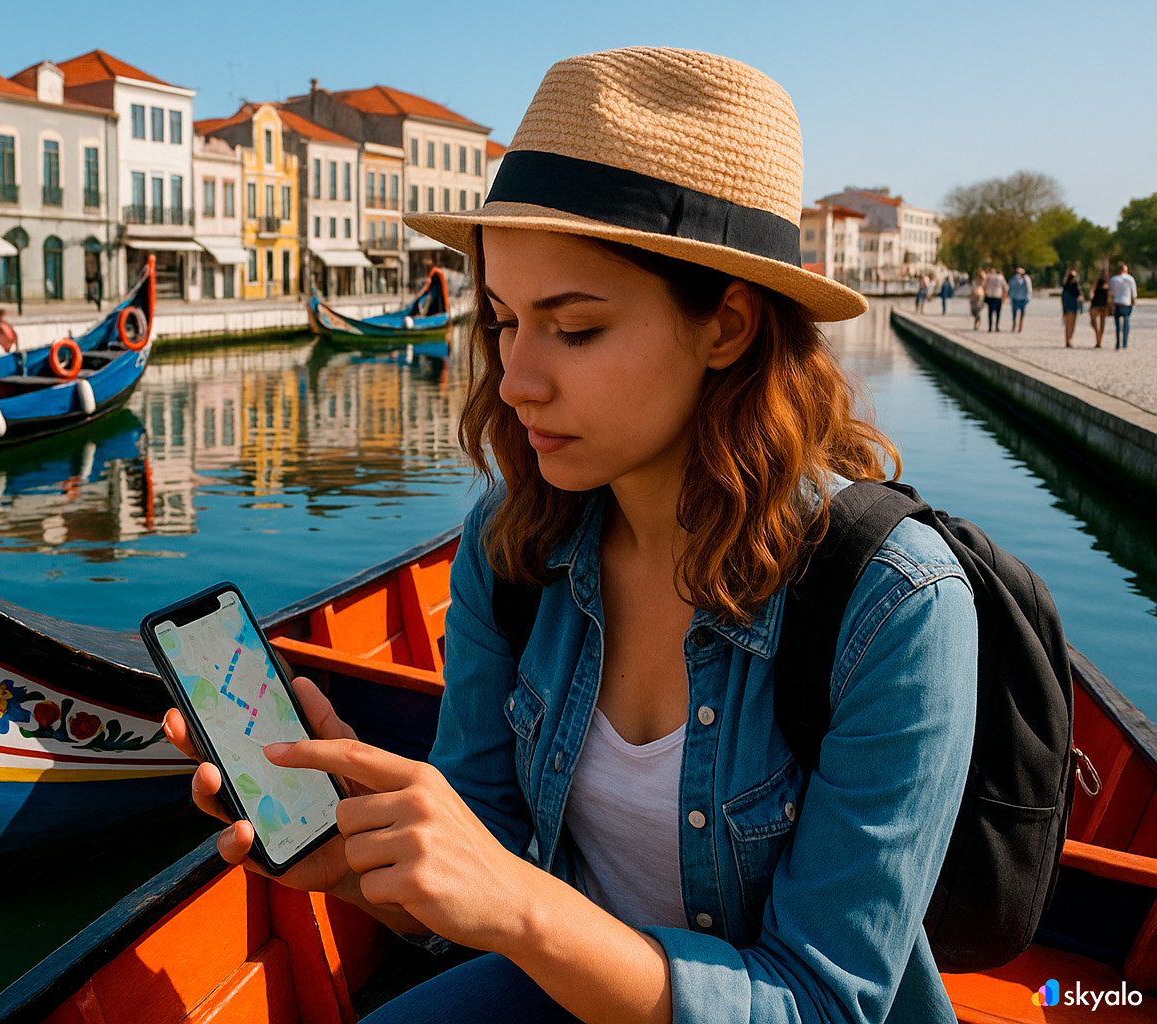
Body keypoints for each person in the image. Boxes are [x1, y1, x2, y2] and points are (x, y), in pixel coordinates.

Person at [165, 48, 975, 1024]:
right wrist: (366, 859)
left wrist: (522, 909)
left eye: (576, 328)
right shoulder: (513, 546)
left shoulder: (895, 604)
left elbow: (823, 1000)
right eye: (504, 321)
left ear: (727, 324)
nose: (514, 380)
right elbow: (489, 865)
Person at [1110, 263, 1137, 350]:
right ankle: (1125, 342)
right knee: (1126, 322)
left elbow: (1111, 292)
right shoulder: (1130, 279)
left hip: (1117, 302)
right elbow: (1134, 292)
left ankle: (1117, 343)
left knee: (1117, 325)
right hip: (1126, 302)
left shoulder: (1113, 279)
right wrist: (1134, 302)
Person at [1088, 272, 1112, 348]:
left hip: (1103, 306)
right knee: (1094, 323)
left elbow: (1110, 296)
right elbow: (1092, 292)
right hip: (1096, 305)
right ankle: (1097, 337)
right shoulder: (1098, 284)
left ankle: (1099, 341)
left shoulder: (1109, 285)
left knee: (1102, 324)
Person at [1060, 270, 1082, 347]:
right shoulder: (1066, 288)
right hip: (1068, 308)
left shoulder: (1076, 287)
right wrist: (1064, 311)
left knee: (1073, 325)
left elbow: (1080, 297)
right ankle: (1067, 341)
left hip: (1075, 308)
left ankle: (1070, 339)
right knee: (1068, 325)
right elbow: (1063, 299)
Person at [982, 266, 1007, 331]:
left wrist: (985, 294)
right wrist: (1004, 297)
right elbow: (1006, 288)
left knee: (990, 313)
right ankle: (996, 327)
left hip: (990, 296)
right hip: (998, 296)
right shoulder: (1000, 277)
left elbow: (983, 286)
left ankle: (990, 327)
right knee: (998, 313)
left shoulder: (988, 277)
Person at [1008, 267, 1032, 331]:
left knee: (1022, 313)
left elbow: (1029, 288)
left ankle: (1020, 326)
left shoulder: (1026, 279)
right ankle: (1014, 324)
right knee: (1014, 313)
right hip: (1015, 298)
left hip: (1023, 299)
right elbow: (1011, 288)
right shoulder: (1013, 279)